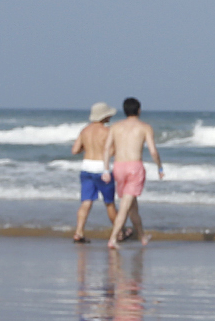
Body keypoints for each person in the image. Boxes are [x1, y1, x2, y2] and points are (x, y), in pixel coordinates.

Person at [104, 98, 163, 249]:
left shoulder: (115, 127)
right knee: (125, 206)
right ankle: (113, 239)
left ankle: (142, 236)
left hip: (118, 167)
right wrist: (160, 167)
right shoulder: (144, 127)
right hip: (134, 167)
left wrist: (106, 169)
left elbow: (106, 149)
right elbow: (153, 151)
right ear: (139, 110)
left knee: (132, 207)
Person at [70, 102, 119, 242]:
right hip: (101, 169)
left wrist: (88, 149)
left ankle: (78, 233)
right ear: (105, 116)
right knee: (109, 203)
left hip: (86, 168)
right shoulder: (107, 131)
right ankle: (119, 232)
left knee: (86, 202)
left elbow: (74, 150)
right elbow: (113, 151)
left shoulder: (84, 130)